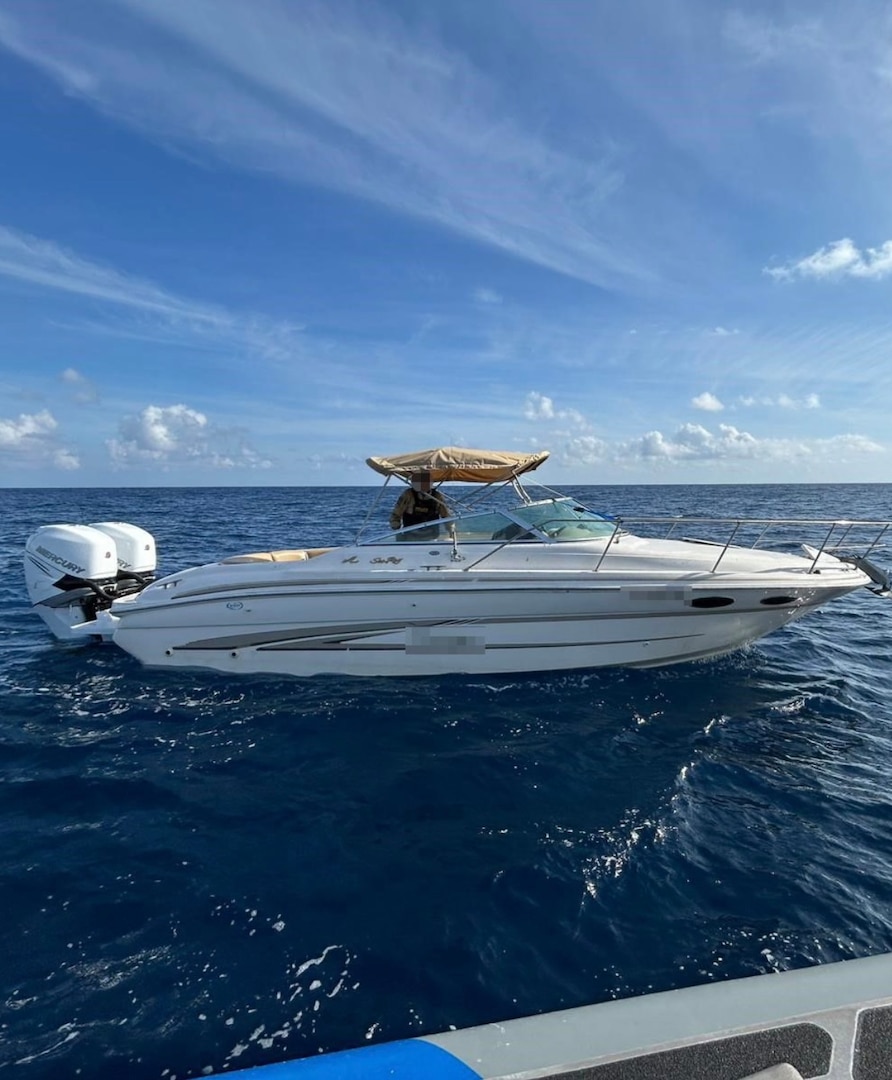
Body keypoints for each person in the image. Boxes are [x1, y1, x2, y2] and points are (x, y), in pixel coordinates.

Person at [390, 471, 451, 538]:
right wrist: (397, 531)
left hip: (432, 536)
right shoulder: (408, 494)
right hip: (411, 536)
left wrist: (451, 530)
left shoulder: (437, 496)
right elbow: (396, 514)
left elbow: (446, 515)